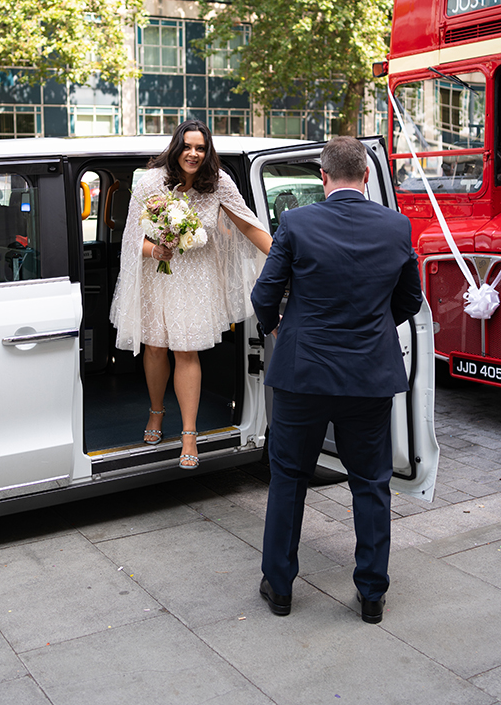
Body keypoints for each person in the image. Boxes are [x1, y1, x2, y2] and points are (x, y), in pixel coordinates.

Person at [251, 136, 422, 622]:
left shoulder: (296, 222)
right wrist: (370, 325)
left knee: (289, 477)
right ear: (366, 177)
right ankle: (371, 594)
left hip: (302, 374)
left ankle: (280, 588)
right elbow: (409, 300)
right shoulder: (396, 226)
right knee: (371, 482)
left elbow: (265, 294)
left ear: (321, 178)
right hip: (368, 375)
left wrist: (278, 326)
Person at [110, 120, 272, 469]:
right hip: (157, 274)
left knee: (185, 350)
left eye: (200, 148)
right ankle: (156, 413)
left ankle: (188, 433)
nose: (193, 154)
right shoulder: (152, 182)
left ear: (207, 151)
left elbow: (246, 223)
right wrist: (156, 250)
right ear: (176, 147)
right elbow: (128, 239)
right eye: (187, 146)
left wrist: (282, 260)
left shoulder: (218, 183)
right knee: (155, 347)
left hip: (197, 278)